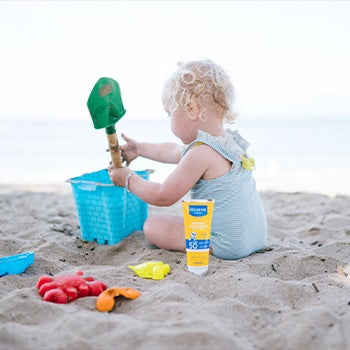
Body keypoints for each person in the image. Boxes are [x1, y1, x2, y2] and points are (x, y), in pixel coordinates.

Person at [108, 59, 267, 260]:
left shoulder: (201, 154)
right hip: (256, 238)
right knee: (180, 220)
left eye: (170, 114)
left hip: (226, 244)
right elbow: (175, 151)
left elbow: (163, 196)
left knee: (152, 224)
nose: (170, 121)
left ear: (191, 109)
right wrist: (140, 149)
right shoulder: (227, 143)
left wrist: (128, 179)